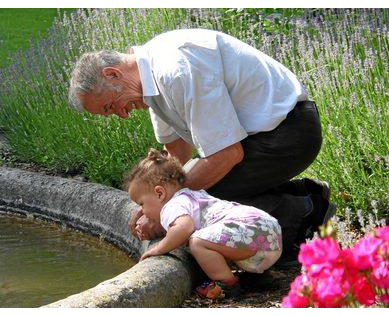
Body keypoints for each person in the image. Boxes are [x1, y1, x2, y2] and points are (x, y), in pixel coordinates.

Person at [68, 28, 336, 268]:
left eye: (110, 106)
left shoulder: (174, 70)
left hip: (290, 133)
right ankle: (303, 193)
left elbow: (227, 155)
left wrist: (168, 208)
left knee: (200, 202)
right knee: (190, 185)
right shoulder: (150, 74)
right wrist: (151, 200)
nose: (122, 115)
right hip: (266, 135)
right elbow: (175, 153)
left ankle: (305, 214)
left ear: (113, 74)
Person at [124, 148, 283, 299]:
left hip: (252, 233)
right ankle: (258, 278)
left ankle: (226, 285)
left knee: (198, 242)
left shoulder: (172, 206)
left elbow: (184, 227)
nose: (142, 211)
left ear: (160, 193)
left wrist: (158, 248)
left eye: (141, 203)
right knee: (212, 237)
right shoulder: (193, 195)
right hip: (268, 230)